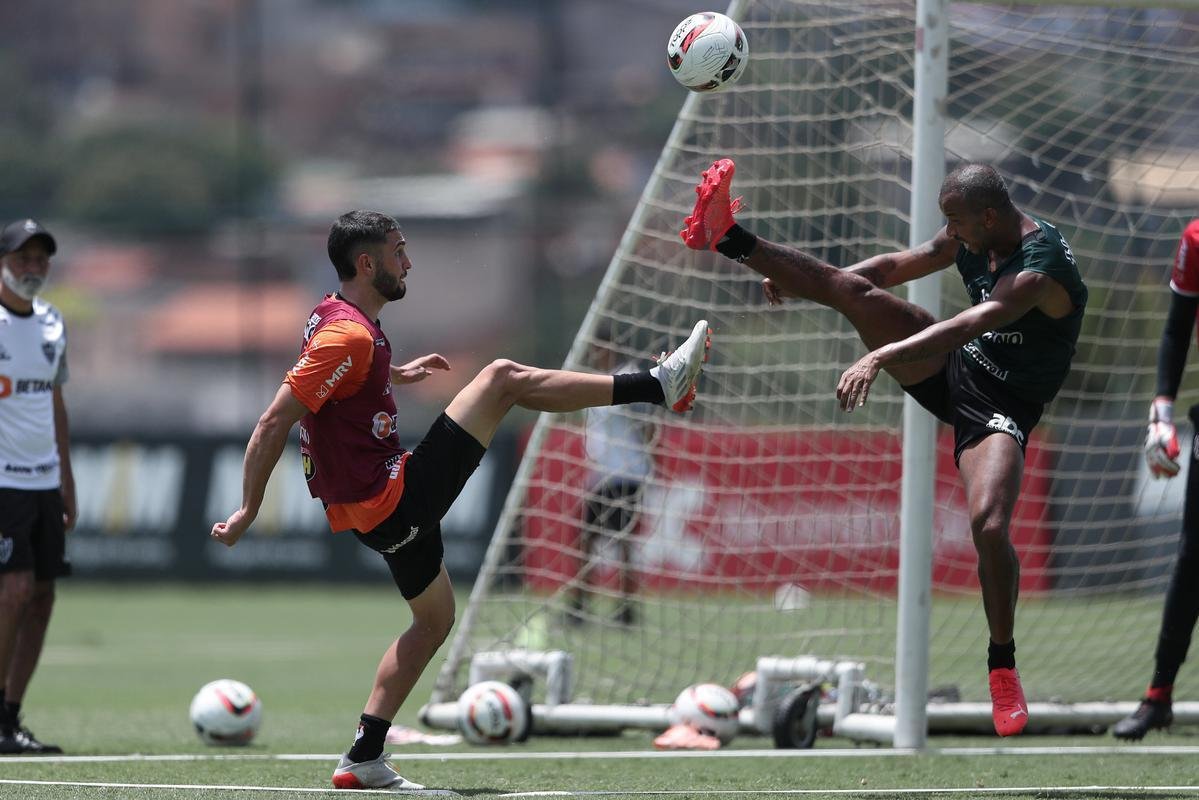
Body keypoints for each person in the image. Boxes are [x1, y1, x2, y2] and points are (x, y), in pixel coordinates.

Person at [210, 210, 711, 791]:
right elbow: (273, 421)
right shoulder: (344, 334)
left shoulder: (336, 319)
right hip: (391, 498)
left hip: (376, 512)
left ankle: (364, 755)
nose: (409, 261)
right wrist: (248, 509)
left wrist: (390, 372)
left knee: (434, 620)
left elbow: (339, 377)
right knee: (502, 379)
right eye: (399, 251)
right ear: (367, 263)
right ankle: (657, 384)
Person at [680, 159, 1087, 737]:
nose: (951, 232)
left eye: (957, 222)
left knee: (990, 526)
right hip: (955, 364)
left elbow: (972, 323)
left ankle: (1002, 665)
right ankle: (727, 237)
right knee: (853, 291)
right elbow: (899, 265)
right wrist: (815, 282)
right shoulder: (971, 227)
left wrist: (879, 357)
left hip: (1003, 403)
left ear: (989, 216)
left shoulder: (1037, 270)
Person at [1113, 217, 1199, 740]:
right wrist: (1161, 412)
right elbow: (1175, 328)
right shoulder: (1196, 238)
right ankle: (1158, 696)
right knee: (1192, 559)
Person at [0, 219, 75, 755]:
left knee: (42, 597)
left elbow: (54, 401)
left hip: (45, 480)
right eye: (23, 257)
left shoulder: (52, 322)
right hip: (3, 483)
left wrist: (66, 479)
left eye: (41, 258)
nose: (33, 267)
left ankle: (9, 719)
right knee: (15, 591)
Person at [566, 336, 656, 627]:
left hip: (626, 475)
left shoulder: (628, 377)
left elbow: (649, 426)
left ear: (612, 349)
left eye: (602, 348)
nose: (597, 354)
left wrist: (644, 456)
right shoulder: (593, 380)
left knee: (623, 544)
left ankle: (627, 611)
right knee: (585, 541)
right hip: (600, 477)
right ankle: (579, 608)